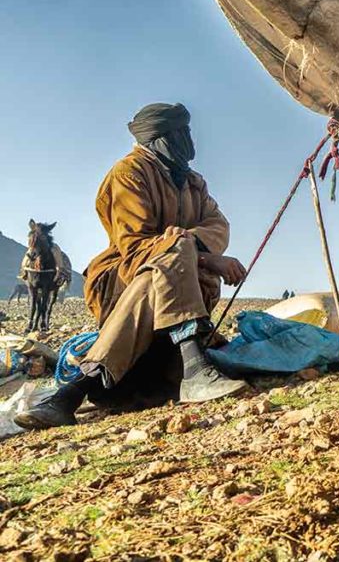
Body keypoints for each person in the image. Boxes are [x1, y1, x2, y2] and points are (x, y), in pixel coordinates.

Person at [16, 103, 248, 430]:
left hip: (169, 288)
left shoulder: (194, 182)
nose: (188, 140)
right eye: (179, 134)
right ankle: (195, 367)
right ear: (158, 138)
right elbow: (136, 246)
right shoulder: (128, 174)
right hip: (120, 278)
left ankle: (70, 393)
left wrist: (187, 245)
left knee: (170, 258)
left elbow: (218, 225)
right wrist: (205, 256)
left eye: (187, 132)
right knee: (169, 254)